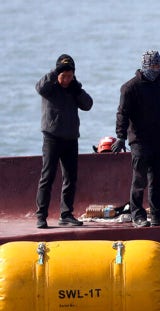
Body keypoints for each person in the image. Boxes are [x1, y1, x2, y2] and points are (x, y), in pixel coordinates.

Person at [112, 50, 160, 228]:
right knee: (140, 179)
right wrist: (120, 136)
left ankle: (157, 214)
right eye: (153, 65)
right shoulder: (130, 87)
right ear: (144, 65)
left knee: (158, 180)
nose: (155, 69)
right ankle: (137, 214)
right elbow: (122, 114)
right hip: (139, 140)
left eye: (158, 66)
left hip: (159, 140)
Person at [34, 54, 93, 228]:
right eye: (63, 76)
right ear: (57, 74)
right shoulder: (49, 87)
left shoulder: (74, 88)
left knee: (70, 178)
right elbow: (39, 87)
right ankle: (41, 216)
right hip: (52, 138)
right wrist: (55, 72)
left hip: (70, 139)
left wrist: (78, 89)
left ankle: (66, 214)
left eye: (70, 76)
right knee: (48, 176)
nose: (66, 79)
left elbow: (88, 105)